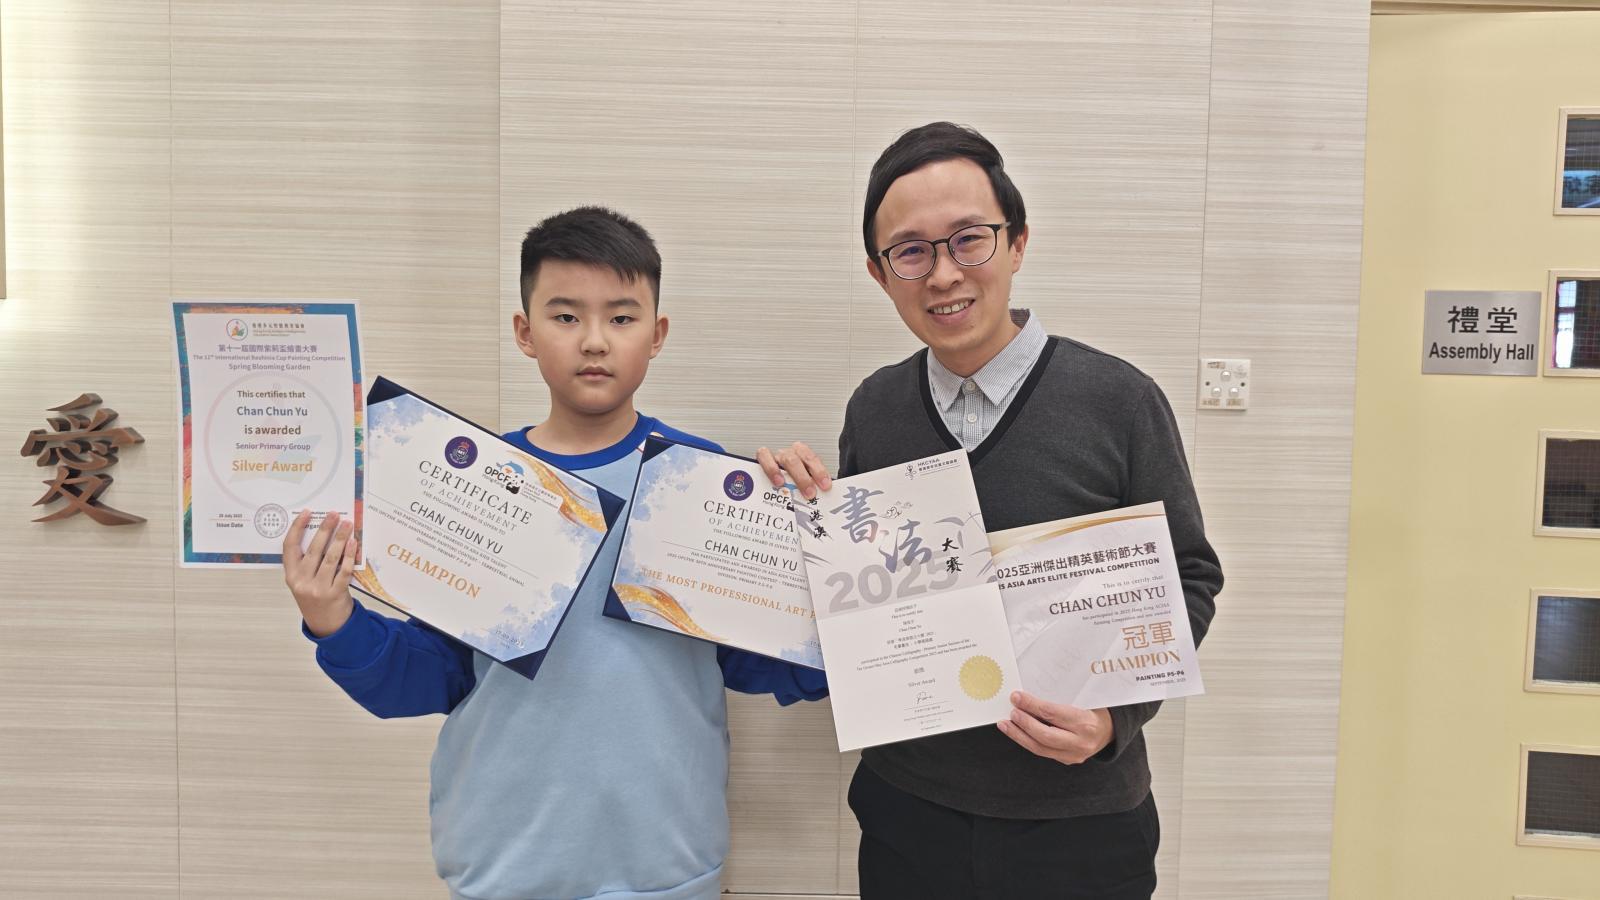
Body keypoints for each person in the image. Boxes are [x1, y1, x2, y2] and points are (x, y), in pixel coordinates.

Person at [282, 206, 827, 900]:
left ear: (657, 335)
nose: (594, 341)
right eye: (566, 316)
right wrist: (333, 618)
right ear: (525, 332)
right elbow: (432, 678)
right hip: (503, 867)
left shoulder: (696, 480)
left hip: (666, 867)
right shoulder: (476, 484)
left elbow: (754, 661)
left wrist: (831, 577)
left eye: (622, 318)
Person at [757, 122, 1222, 900]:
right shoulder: (875, 407)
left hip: (1080, 823)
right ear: (879, 274)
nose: (943, 274)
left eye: (969, 239)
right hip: (907, 811)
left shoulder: (1119, 400)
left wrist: (1116, 719)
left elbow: (1191, 576)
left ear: (1017, 243)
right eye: (910, 251)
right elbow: (864, 590)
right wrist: (784, 514)